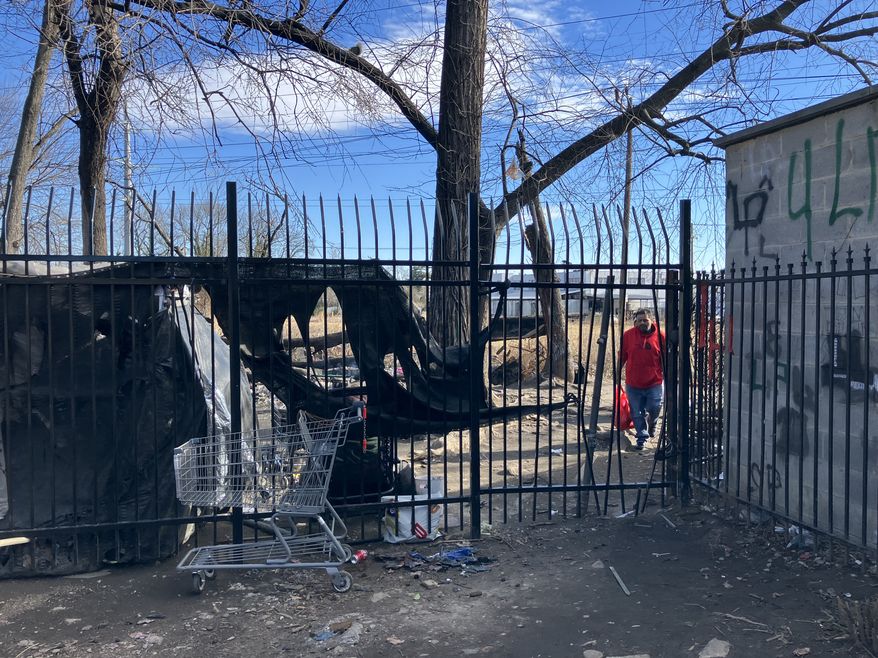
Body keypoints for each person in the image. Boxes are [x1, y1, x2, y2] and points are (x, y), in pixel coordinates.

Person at [619, 308, 665, 450]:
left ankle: (653, 423)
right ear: (635, 323)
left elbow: (666, 358)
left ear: (652, 320)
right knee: (637, 412)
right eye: (639, 321)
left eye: (645, 320)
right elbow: (622, 356)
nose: (642, 323)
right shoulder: (628, 336)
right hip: (633, 383)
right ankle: (642, 437)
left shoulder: (661, 336)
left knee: (655, 407)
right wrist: (617, 373)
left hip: (654, 382)